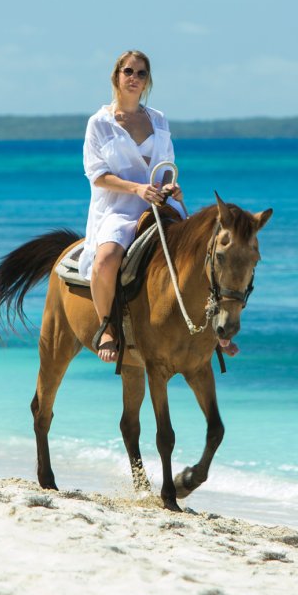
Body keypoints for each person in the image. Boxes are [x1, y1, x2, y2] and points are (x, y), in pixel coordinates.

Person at [80, 50, 186, 362]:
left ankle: (216, 332)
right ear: (116, 76)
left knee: (207, 250)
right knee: (106, 259)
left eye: (141, 73)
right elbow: (97, 175)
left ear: (147, 80)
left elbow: (166, 165)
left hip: (160, 204)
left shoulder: (159, 119)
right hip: (119, 207)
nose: (134, 78)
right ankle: (107, 326)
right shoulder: (100, 123)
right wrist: (137, 188)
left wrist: (169, 185)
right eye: (128, 71)